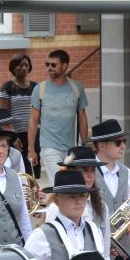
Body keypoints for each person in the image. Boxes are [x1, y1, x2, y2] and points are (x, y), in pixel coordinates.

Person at [90, 119, 130, 260]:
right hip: (98, 254)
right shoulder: (88, 172)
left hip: (123, 250)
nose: (123, 146)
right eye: (118, 142)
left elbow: (127, 205)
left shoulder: (126, 172)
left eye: (124, 141)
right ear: (101, 145)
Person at [27, 49, 89, 186]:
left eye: (53, 65)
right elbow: (33, 120)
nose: (49, 68)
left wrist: (85, 144)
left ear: (64, 66)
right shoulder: (40, 89)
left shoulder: (77, 88)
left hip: (71, 148)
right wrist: (31, 149)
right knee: (60, 184)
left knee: (71, 185)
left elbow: (82, 117)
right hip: (49, 147)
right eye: (47, 64)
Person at [0, 52, 35, 162]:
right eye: (20, 65)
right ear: (13, 67)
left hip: (33, 134)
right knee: (19, 167)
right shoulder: (6, 87)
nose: (24, 68)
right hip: (16, 135)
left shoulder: (36, 87)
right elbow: (4, 115)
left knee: (33, 167)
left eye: (26, 65)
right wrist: (13, 136)